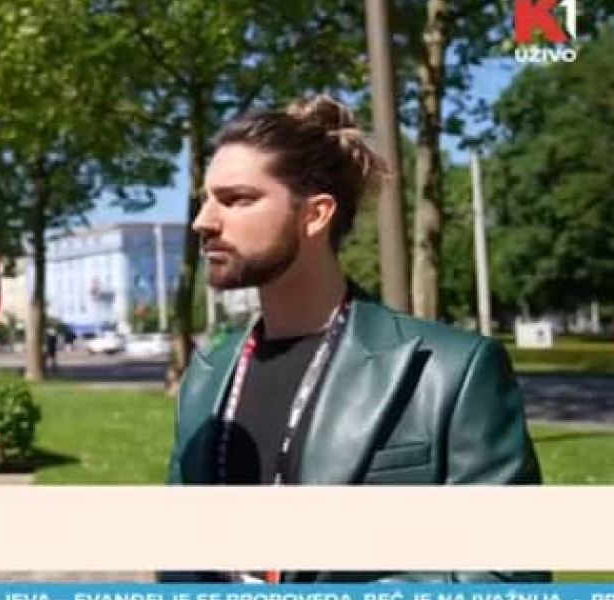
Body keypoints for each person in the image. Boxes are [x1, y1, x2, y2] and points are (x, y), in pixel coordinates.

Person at [162, 94, 546, 583]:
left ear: (316, 214)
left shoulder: (449, 370)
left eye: (237, 199)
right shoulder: (206, 376)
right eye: (206, 199)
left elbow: (506, 572)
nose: (203, 221)